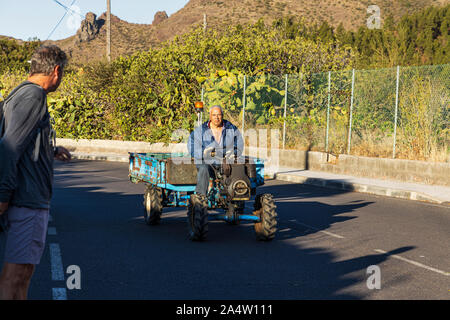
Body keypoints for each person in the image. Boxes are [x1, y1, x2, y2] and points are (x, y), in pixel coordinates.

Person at [0, 45, 72, 300]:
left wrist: (50, 151)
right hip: (28, 200)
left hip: (26, 198)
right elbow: (9, 148)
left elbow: (23, 142)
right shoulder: (33, 96)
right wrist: (3, 196)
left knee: (23, 274)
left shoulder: (20, 94)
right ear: (56, 70)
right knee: (15, 276)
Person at [187, 105, 244, 196]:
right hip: (206, 161)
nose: (216, 117)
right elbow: (192, 146)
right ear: (210, 116)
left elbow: (239, 143)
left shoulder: (231, 128)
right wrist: (203, 152)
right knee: (203, 168)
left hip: (225, 160)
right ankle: (200, 197)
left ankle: (235, 196)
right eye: (214, 115)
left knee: (238, 169)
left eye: (219, 115)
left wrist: (234, 152)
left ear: (222, 115)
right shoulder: (201, 130)